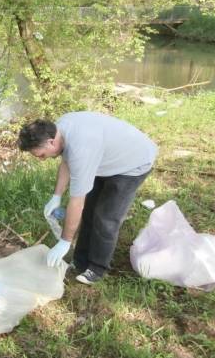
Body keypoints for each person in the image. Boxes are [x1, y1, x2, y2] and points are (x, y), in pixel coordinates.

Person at [17, 113, 157, 285]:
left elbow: (77, 202)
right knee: (89, 212)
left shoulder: (80, 150)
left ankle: (97, 268)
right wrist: (57, 196)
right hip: (104, 158)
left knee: (106, 217)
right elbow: (66, 162)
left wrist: (64, 241)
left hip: (133, 162)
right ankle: (81, 261)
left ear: (50, 142)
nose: (40, 159)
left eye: (40, 155)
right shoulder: (58, 129)